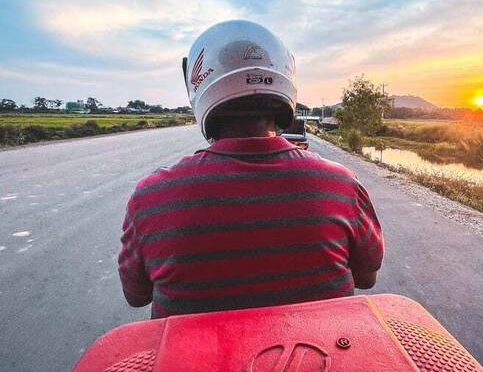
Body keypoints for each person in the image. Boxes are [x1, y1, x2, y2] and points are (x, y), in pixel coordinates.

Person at [118, 20, 384, 318]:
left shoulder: (151, 197)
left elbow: (136, 296)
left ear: (197, 84)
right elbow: (366, 277)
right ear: (286, 79)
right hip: (319, 361)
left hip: (195, 364)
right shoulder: (342, 184)